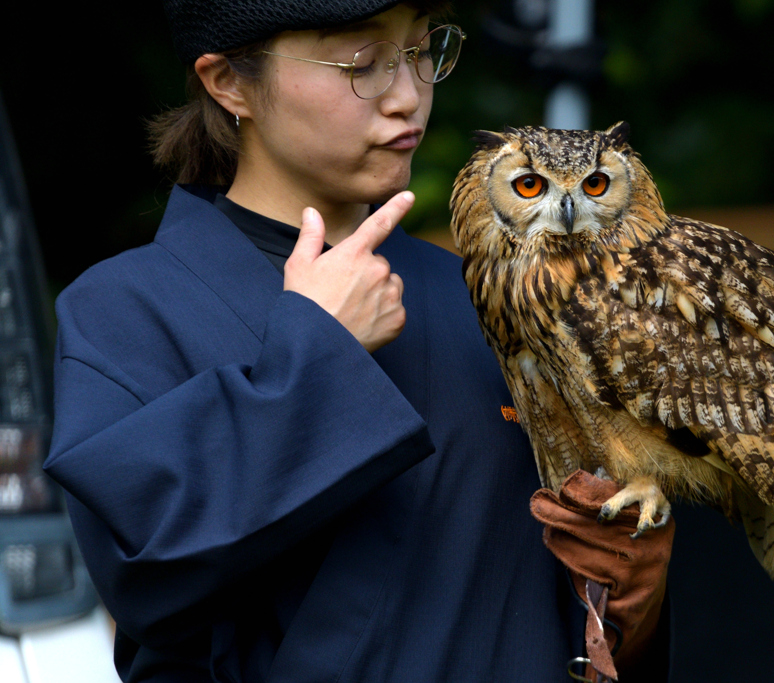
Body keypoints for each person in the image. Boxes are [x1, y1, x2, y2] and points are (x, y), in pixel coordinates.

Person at [43, 1, 672, 680]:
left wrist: (629, 610)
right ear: (228, 82)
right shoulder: (124, 309)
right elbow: (146, 569)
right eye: (363, 64)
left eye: (421, 50)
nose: (409, 96)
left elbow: (557, 620)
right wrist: (320, 351)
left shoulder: (495, 304)